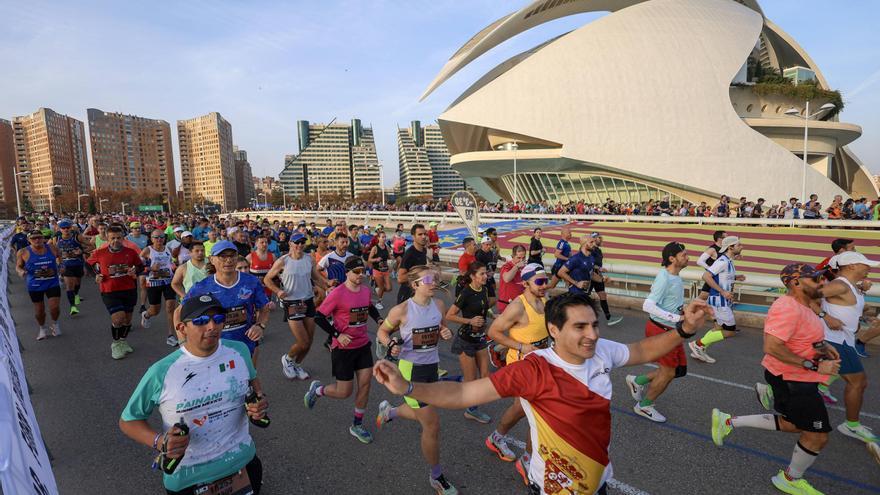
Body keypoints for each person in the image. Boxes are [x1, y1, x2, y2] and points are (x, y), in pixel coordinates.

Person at [374, 293, 710, 495]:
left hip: (597, 481)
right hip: (554, 488)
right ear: (554, 330)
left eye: (594, 325)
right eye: (580, 327)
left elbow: (642, 349)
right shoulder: (533, 369)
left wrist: (684, 329)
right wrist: (408, 388)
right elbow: (463, 393)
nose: (592, 334)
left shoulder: (603, 350)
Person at [711, 264, 842, 495]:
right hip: (792, 380)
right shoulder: (787, 307)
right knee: (817, 436)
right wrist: (816, 364)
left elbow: (802, 339)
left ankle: (728, 422)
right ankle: (790, 479)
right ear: (796, 282)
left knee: (794, 424)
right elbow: (772, 347)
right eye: (815, 279)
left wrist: (824, 346)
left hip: (798, 377)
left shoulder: (805, 305)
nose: (821, 282)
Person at [119, 294, 268, 495]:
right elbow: (129, 420)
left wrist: (258, 401)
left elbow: (252, 382)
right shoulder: (162, 371)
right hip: (189, 478)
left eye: (218, 319)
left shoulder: (239, 351)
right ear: (182, 328)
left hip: (243, 464)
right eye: (201, 321)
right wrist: (160, 442)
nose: (212, 327)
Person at [375, 264, 456, 494]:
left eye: (436, 278)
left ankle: (390, 412)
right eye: (429, 279)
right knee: (432, 423)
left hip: (432, 366)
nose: (434, 283)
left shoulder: (439, 305)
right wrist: (390, 344)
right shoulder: (401, 310)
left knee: (423, 413)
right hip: (411, 370)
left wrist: (445, 332)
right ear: (415, 285)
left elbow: (442, 328)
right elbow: (383, 332)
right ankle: (436, 476)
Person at [305, 257, 384, 444]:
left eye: (362, 271)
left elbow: (369, 307)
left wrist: (380, 320)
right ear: (347, 272)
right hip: (343, 348)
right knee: (344, 392)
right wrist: (337, 334)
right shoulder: (338, 293)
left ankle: (357, 424)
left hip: (363, 345)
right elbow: (319, 317)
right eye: (356, 271)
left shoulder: (365, 290)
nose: (360, 275)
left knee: (365, 385)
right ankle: (318, 390)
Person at [485, 263, 550, 483]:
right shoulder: (518, 307)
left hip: (540, 364)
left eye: (545, 280)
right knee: (538, 413)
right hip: (522, 366)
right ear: (525, 283)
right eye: (539, 281)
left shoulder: (544, 300)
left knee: (520, 409)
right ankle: (528, 460)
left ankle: (496, 438)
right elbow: (493, 331)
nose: (544, 285)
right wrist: (521, 346)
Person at [816, 251, 878, 443]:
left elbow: (846, 308)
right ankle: (851, 426)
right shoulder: (839, 285)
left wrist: (864, 317)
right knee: (858, 382)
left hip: (844, 340)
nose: (869, 267)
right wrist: (824, 316)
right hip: (835, 341)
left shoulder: (849, 286)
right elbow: (805, 295)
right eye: (864, 264)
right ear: (851, 266)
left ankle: (774, 388)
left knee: (821, 376)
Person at [628, 242, 690, 423]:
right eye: (684, 255)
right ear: (672, 259)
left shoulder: (675, 276)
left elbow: (670, 302)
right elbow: (648, 305)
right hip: (662, 330)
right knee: (669, 372)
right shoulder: (665, 278)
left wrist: (682, 311)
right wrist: (676, 318)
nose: (687, 257)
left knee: (679, 370)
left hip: (671, 329)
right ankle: (644, 406)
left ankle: (638, 380)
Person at [183, 240, 269, 364]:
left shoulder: (251, 282)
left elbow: (264, 308)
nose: (228, 260)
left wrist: (260, 325)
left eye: (232, 256)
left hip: (245, 345)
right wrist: (184, 342)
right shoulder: (202, 287)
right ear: (212, 260)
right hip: (214, 348)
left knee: (248, 379)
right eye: (222, 256)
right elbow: (179, 313)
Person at [263, 233, 326, 381]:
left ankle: (296, 364)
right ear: (290, 244)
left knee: (309, 341)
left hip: (308, 301)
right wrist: (278, 291)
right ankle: (288, 358)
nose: (300, 245)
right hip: (292, 303)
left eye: (302, 243)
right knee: (303, 341)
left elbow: (315, 277)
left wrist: (327, 284)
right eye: (297, 243)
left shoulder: (309, 259)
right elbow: (267, 279)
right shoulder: (283, 261)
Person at [86, 225, 144, 359]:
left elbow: (140, 266)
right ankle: (116, 343)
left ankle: (123, 341)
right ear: (107, 238)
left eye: (118, 238)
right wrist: (95, 274)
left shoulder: (130, 252)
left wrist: (135, 270)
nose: (115, 241)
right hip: (109, 290)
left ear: (123, 238)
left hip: (129, 288)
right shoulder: (100, 252)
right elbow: (88, 264)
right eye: (112, 238)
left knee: (128, 320)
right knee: (118, 318)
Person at [445, 261, 492, 424]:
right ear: (472, 276)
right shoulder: (466, 292)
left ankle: (458, 382)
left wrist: (493, 316)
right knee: (471, 380)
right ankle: (471, 410)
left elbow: (484, 308)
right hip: (465, 340)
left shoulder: (484, 290)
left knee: (485, 376)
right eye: (482, 274)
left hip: (479, 339)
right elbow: (449, 315)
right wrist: (469, 321)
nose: (486, 276)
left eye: (486, 273)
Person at [689, 236, 745, 364]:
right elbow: (706, 276)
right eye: (739, 245)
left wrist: (736, 277)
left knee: (719, 328)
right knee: (730, 332)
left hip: (721, 300)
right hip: (720, 300)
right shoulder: (723, 261)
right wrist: (723, 291)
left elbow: (722, 276)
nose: (742, 247)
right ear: (730, 247)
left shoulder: (728, 261)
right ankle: (698, 344)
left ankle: (700, 348)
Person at [16, 230, 62, 340]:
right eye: (33, 238)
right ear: (29, 240)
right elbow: (18, 266)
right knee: (39, 311)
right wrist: (21, 272)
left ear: (43, 238)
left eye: (39, 237)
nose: (37, 240)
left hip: (52, 282)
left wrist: (61, 266)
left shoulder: (52, 248)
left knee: (54, 307)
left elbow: (60, 257)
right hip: (35, 285)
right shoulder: (23, 252)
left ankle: (55, 324)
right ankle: (42, 329)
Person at [141, 228, 180, 346]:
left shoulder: (168, 249)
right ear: (151, 239)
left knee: (170, 307)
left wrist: (174, 267)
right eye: (156, 237)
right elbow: (138, 267)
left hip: (168, 281)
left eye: (162, 237)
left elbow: (171, 262)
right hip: (153, 283)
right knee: (155, 310)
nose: (159, 240)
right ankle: (146, 315)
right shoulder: (147, 250)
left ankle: (170, 335)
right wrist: (150, 269)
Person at [54, 219, 92, 315]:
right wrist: (58, 260)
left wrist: (81, 251)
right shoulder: (56, 238)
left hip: (78, 264)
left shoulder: (77, 236)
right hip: (65, 266)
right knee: (69, 285)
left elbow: (91, 246)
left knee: (77, 283)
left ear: (71, 228)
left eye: (68, 228)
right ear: (60, 229)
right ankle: (73, 307)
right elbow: (53, 250)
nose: (66, 230)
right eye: (63, 228)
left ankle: (76, 295)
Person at [588, 233, 623, 326]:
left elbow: (598, 264)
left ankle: (609, 318)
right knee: (584, 297)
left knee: (603, 295)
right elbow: (588, 263)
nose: (601, 240)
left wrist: (600, 273)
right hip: (590, 276)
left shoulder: (598, 250)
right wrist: (599, 269)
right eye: (599, 238)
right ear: (594, 239)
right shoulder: (589, 250)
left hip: (598, 275)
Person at [397, 224, 429, 304]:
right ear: (413, 237)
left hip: (419, 294)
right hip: (407, 295)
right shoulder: (410, 254)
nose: (424, 236)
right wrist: (420, 274)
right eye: (420, 234)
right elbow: (400, 278)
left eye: (425, 234)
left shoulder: (424, 251)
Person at [697, 230, 726, 301]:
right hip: (713, 278)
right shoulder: (712, 249)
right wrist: (711, 269)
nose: (727, 239)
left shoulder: (725, 249)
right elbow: (699, 261)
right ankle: (690, 309)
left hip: (720, 278)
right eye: (726, 237)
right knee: (703, 296)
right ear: (720, 239)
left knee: (706, 297)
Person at [497, 245, 526, 313]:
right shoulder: (506, 266)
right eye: (518, 258)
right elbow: (507, 279)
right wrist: (516, 267)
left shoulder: (524, 268)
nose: (521, 260)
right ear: (512, 256)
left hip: (519, 304)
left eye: (523, 258)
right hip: (506, 304)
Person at [368, 230, 392, 310]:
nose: (384, 238)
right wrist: (376, 259)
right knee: (381, 287)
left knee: (389, 288)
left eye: (385, 237)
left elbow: (389, 257)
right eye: (382, 237)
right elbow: (369, 259)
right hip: (377, 271)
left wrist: (392, 258)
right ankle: (379, 302)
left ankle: (377, 289)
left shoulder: (387, 247)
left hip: (386, 270)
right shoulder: (375, 248)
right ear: (378, 238)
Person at [246, 236, 276, 300]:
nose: (264, 244)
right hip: (254, 290)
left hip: (268, 290)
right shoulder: (250, 257)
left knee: (267, 308)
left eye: (266, 242)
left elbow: (276, 272)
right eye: (262, 242)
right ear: (256, 244)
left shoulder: (272, 256)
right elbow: (244, 273)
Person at [474, 236, 499, 307]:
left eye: (490, 244)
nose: (488, 246)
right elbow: (477, 269)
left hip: (489, 276)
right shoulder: (479, 254)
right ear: (482, 244)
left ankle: (484, 309)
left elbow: (491, 263)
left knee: (493, 290)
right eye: (486, 244)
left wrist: (492, 271)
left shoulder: (490, 252)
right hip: (483, 277)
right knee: (490, 298)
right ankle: (483, 310)